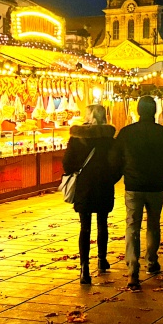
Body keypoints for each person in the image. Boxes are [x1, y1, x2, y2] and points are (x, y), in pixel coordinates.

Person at [110, 96, 163, 290]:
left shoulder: (126, 133)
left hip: (133, 185)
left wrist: (124, 171)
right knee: (153, 224)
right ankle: (152, 261)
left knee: (132, 226)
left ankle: (133, 270)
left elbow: (115, 159)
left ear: (138, 110)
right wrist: (162, 170)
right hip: (156, 185)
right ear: (155, 111)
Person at [62, 104, 120, 285]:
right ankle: (102, 260)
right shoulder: (109, 139)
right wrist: (110, 178)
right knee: (103, 223)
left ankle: (84, 269)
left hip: (84, 187)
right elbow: (118, 164)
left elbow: (67, 164)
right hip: (103, 185)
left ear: (89, 116)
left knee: (84, 226)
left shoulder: (77, 137)